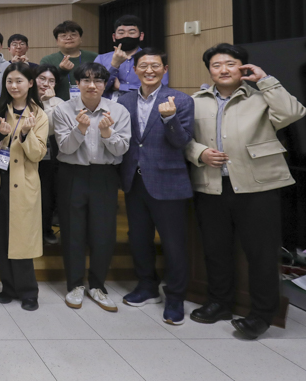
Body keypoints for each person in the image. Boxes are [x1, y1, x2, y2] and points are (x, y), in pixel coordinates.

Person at [184, 43, 306, 339]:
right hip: (212, 186)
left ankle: (262, 315)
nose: (223, 70)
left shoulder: (262, 97)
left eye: (230, 64)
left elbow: (293, 112)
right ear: (209, 71)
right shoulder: (195, 102)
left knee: (261, 254)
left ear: (243, 68)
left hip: (257, 186)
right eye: (216, 65)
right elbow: (182, 138)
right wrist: (200, 153)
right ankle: (219, 303)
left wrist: (265, 80)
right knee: (216, 250)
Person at [116, 48, 194, 326]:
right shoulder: (124, 100)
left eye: (155, 65)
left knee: (173, 243)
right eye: (144, 66)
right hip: (134, 180)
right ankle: (147, 286)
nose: (149, 70)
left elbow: (182, 142)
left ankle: (175, 297)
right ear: (135, 70)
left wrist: (170, 119)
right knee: (138, 238)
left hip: (168, 181)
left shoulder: (180, 100)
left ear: (165, 69)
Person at [51, 62, 130, 312]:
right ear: (78, 83)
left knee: (103, 232)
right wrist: (81, 129)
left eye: (98, 80)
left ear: (105, 84)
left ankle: (97, 285)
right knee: (72, 231)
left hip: (104, 175)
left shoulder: (118, 111)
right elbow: (65, 148)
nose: (92, 85)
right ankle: (75, 284)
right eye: (86, 80)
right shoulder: (63, 110)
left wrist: (107, 134)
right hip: (72, 174)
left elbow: (121, 149)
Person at [0, 63, 48, 311]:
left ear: (30, 83)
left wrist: (26, 134)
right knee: (2, 238)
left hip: (23, 182)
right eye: (9, 81)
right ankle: (8, 287)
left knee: (21, 240)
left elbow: (38, 154)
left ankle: (29, 292)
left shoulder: (39, 114)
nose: (14, 86)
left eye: (19, 81)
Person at [95, 15, 167, 99]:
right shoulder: (101, 59)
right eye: (121, 33)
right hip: (108, 106)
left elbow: (160, 88)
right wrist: (114, 65)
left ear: (141, 36)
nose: (126, 36)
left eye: (132, 33)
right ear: (114, 37)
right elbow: (95, 87)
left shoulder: (154, 58)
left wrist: (121, 87)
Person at [35, 64, 66, 245]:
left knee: (47, 192)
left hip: (49, 150)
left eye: (51, 81)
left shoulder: (59, 103)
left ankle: (46, 229)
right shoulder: (25, 98)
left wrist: (48, 103)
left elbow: (50, 128)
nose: (46, 84)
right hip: (25, 148)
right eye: (42, 79)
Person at [40, 21, 98, 102]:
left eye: (73, 35)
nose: (69, 38)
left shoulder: (94, 57)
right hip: (58, 104)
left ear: (80, 39)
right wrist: (61, 71)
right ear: (57, 41)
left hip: (91, 103)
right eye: (63, 36)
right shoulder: (48, 60)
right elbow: (43, 86)